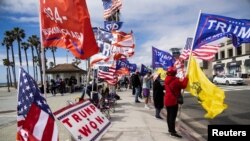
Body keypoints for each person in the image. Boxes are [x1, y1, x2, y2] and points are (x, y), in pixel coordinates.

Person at [164, 66, 188, 138]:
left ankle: (170, 129)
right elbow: (183, 85)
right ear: (174, 73)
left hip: (167, 100)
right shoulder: (176, 80)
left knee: (169, 116)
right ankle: (172, 131)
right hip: (173, 101)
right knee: (172, 117)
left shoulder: (166, 79)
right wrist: (186, 78)